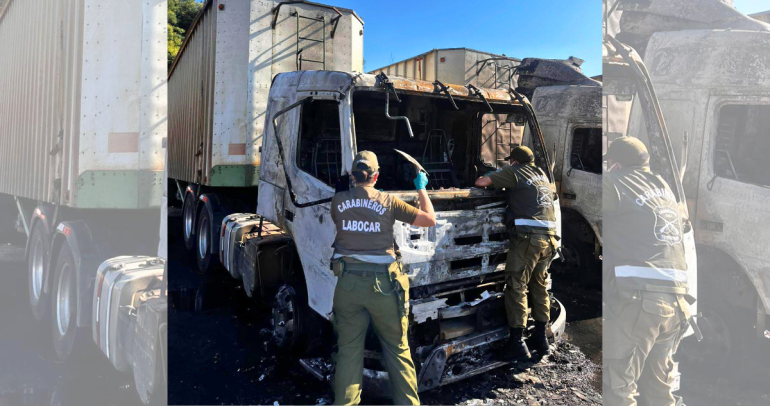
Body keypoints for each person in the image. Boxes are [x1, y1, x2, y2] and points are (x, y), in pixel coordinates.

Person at [330, 151, 436, 405]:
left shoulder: (337, 201)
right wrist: (421, 189)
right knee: (397, 351)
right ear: (376, 175)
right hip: (384, 288)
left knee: (348, 352)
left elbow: (346, 214)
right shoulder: (388, 201)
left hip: (348, 285)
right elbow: (429, 219)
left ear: (352, 175)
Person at [602, 137, 695, 406]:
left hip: (640, 303)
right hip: (676, 302)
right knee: (658, 387)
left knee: (618, 387)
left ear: (617, 163)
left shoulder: (614, 182)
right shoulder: (663, 186)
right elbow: (684, 224)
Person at [474, 145, 559, 361]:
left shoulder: (514, 172)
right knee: (539, 287)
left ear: (514, 161)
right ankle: (541, 338)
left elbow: (481, 183)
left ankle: (517, 343)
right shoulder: (541, 174)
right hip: (549, 238)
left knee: (516, 287)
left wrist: (494, 174)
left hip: (528, 240)